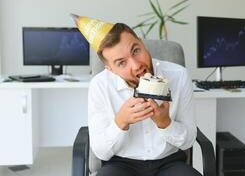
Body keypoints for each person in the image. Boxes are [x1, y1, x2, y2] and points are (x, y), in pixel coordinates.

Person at [72, 14, 201, 176]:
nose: (137, 65)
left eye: (136, 50)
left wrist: (165, 123)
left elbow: (189, 140)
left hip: (169, 162)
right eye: (122, 63)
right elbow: (101, 152)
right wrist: (121, 122)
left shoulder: (179, 75)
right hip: (120, 164)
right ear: (110, 69)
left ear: (141, 42)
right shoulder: (100, 85)